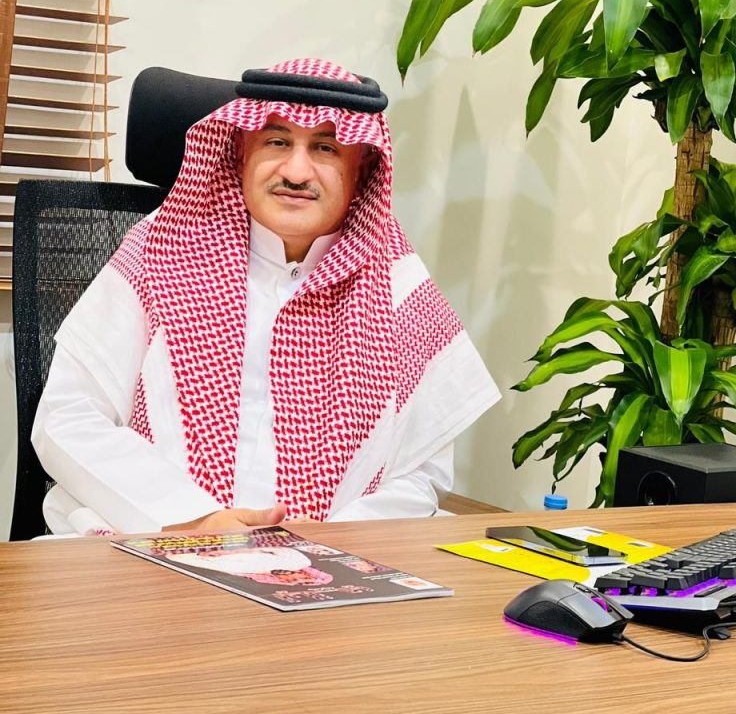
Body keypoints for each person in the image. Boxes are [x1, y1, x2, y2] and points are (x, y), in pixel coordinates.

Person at [32, 58, 500, 535]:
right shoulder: (160, 250)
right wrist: (193, 519)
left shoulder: (398, 287)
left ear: (362, 168)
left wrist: (328, 541)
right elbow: (67, 419)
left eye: (325, 147)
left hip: (328, 565)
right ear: (240, 151)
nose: (296, 172)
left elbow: (421, 474)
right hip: (155, 541)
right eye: (277, 142)